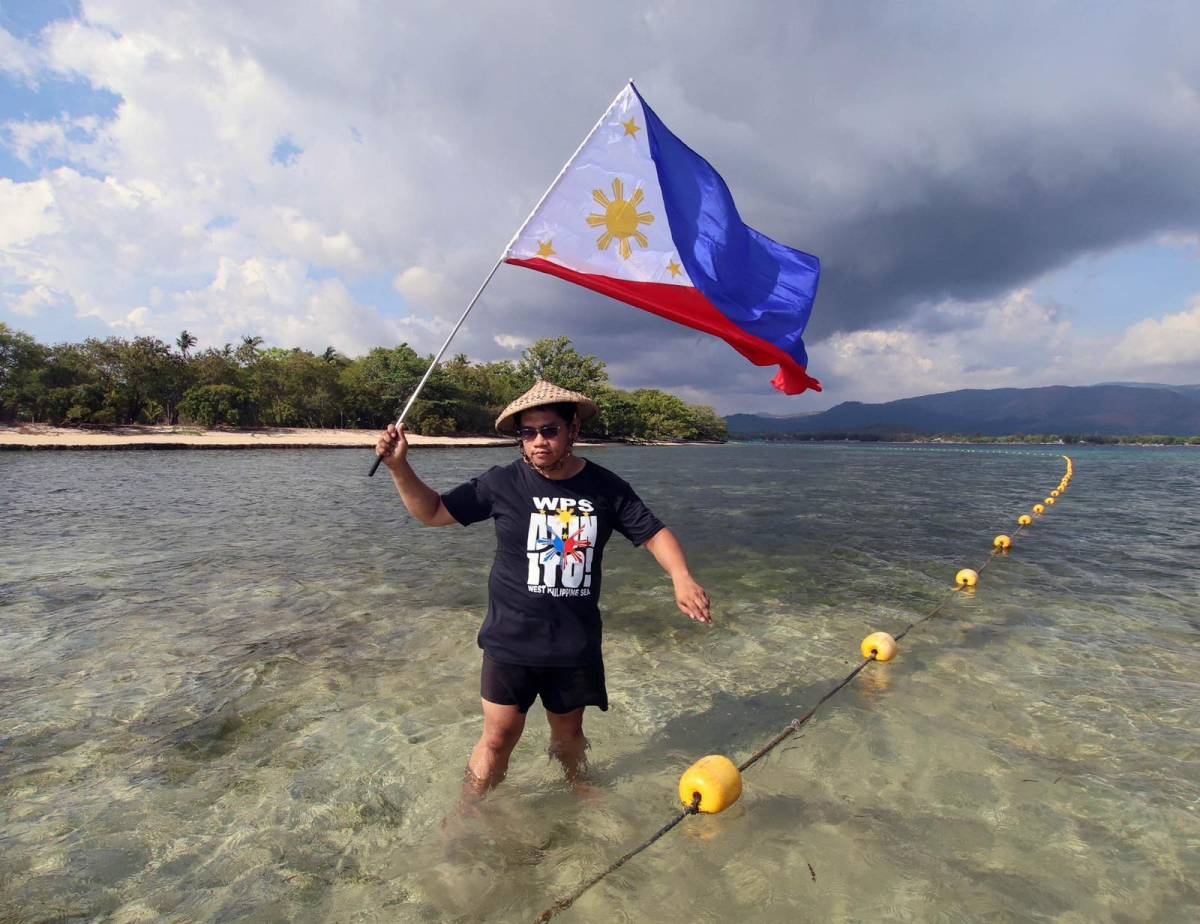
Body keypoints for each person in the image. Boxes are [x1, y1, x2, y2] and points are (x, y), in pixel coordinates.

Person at [376, 380, 711, 796]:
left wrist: (682, 578)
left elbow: (654, 533)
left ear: (573, 430)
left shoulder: (606, 488)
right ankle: (471, 811)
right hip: (510, 640)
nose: (538, 441)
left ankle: (577, 789)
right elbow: (433, 512)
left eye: (549, 430)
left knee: (569, 736)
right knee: (498, 739)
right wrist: (399, 467)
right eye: (528, 432)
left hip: (573, 643)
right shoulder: (501, 483)